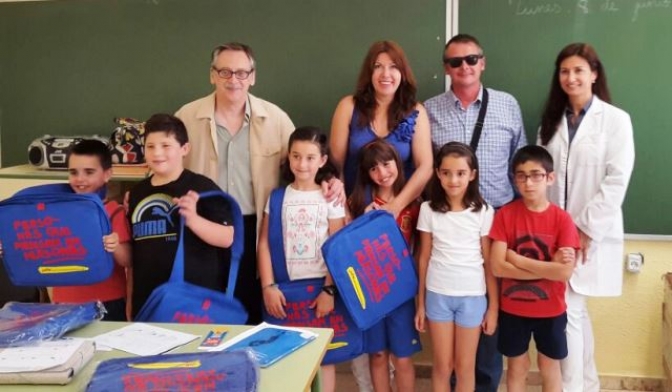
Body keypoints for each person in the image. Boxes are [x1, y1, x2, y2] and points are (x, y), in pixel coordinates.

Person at [176, 43, 342, 324]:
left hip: (255, 226)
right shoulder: (187, 117)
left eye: (242, 73)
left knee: (252, 308)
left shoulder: (275, 119)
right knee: (207, 306)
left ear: (253, 76)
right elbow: (168, 163)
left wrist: (330, 180)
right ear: (212, 75)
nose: (234, 80)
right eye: (225, 72)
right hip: (204, 224)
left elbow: (304, 158)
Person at [424, 33, 527, 392]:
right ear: (446, 68)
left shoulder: (507, 105)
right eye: (455, 61)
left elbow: (521, 163)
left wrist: (519, 218)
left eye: (471, 59)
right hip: (446, 215)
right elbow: (421, 165)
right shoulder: (429, 110)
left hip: (495, 215)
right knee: (447, 350)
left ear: (482, 62)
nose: (464, 67)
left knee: (487, 315)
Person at [330, 40, 432, 390]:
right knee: (365, 311)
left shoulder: (415, 111)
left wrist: (395, 206)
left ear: (402, 73)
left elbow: (425, 167)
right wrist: (344, 213)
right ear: (368, 72)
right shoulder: (348, 106)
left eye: (393, 66)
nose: (385, 74)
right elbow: (335, 166)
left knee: (395, 301)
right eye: (378, 66)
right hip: (356, 219)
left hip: (400, 223)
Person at [538, 43, 635, 392]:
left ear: (594, 74)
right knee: (574, 313)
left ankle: (573, 388)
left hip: (589, 233)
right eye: (565, 71)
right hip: (554, 233)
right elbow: (543, 178)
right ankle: (588, 384)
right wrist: (551, 229)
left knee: (568, 314)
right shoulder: (551, 122)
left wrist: (584, 229)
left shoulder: (615, 120)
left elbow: (616, 180)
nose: (571, 77)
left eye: (579, 70)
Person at [257, 126, 345, 392]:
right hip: (284, 291)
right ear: (288, 157)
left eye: (309, 157)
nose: (302, 164)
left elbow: (337, 247)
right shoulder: (277, 196)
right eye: (296, 156)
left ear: (322, 160)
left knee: (323, 358)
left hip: (319, 289)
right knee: (288, 359)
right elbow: (263, 243)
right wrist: (268, 286)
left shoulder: (330, 197)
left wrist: (329, 290)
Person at [489, 145, 580, 392]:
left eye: (536, 175)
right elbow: (497, 266)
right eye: (521, 175)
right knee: (517, 367)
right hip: (513, 309)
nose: (528, 183)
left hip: (551, 310)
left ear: (550, 177)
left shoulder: (562, 220)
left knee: (549, 366)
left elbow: (564, 273)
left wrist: (518, 261)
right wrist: (549, 266)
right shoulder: (506, 215)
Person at [127, 114, 234, 318]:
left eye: (166, 145)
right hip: (149, 303)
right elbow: (135, 256)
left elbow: (227, 237)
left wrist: (194, 220)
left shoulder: (202, 187)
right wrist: (131, 300)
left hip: (196, 305)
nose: (157, 153)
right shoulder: (136, 193)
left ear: (184, 149)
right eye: (150, 146)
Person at [415, 142, 497, 392]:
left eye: (461, 173)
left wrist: (493, 307)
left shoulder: (483, 211)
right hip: (438, 295)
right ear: (438, 173)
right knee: (442, 365)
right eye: (446, 173)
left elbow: (488, 262)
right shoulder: (428, 209)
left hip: (472, 296)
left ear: (472, 175)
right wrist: (420, 304)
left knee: (465, 367)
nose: (453, 180)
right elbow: (424, 258)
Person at [348, 139, 421, 392]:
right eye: (373, 169)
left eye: (386, 164)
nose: (382, 173)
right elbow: (349, 250)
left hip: (402, 292)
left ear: (397, 163)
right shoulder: (358, 204)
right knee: (377, 355)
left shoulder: (414, 203)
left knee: (402, 357)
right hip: (371, 293)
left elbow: (421, 250)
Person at [47, 139, 132, 321]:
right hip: (65, 301)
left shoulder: (114, 211)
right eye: (73, 172)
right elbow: (41, 247)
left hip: (108, 301)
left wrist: (115, 245)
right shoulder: (57, 213)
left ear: (107, 174)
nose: (80, 179)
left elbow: (128, 259)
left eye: (89, 172)